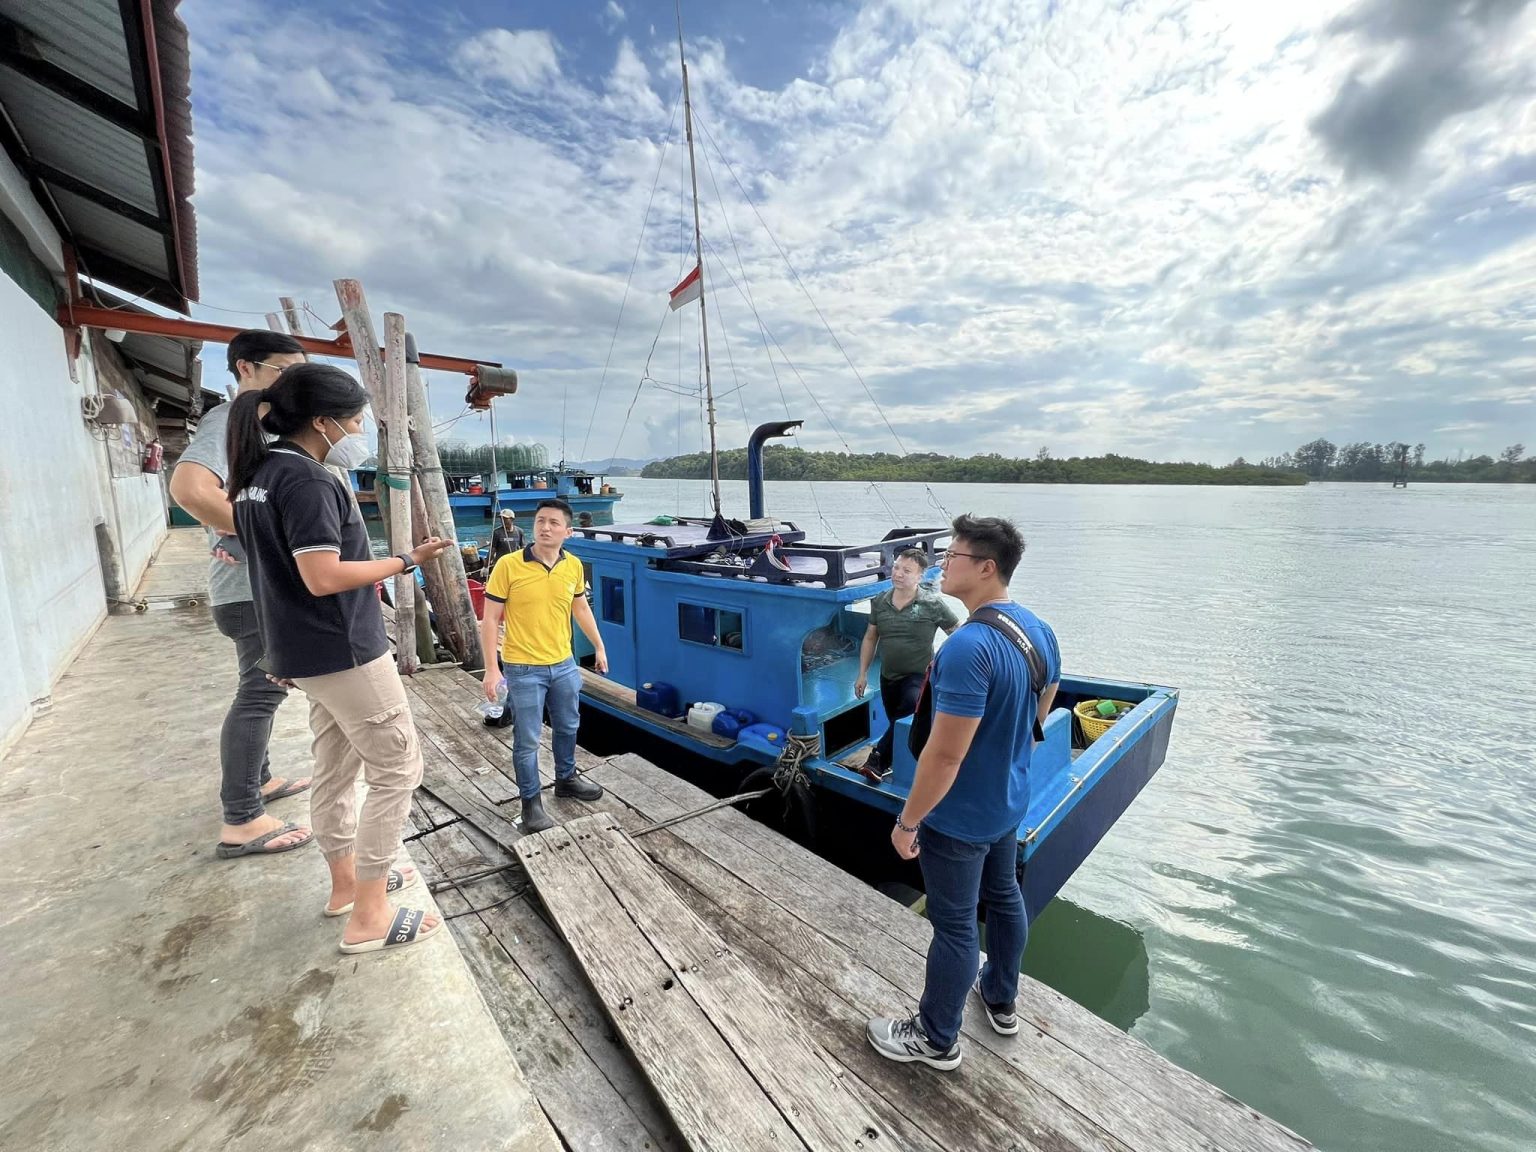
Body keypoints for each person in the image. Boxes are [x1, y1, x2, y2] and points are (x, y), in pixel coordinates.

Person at [226, 363, 454, 955]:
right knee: (398, 769)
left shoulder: (257, 475)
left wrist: (280, 649)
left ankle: (346, 885)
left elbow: (264, 573)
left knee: (336, 765)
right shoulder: (307, 481)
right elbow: (321, 575)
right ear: (322, 421)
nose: (357, 430)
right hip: (344, 649)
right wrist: (405, 560)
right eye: (353, 419)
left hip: (304, 651)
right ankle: (371, 915)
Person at [866, 514, 1060, 1070]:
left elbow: (944, 756)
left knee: (953, 926)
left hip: (960, 816)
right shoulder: (1039, 630)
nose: (942, 564)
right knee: (1003, 898)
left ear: (985, 568)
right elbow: (1042, 702)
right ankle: (1000, 997)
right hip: (1008, 800)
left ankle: (936, 1036)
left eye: (951, 556)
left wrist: (907, 822)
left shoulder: (967, 648)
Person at [168, 330, 312, 859]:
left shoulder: (259, 428)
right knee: (260, 694)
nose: (292, 382)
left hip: (248, 589)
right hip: (252, 594)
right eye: (283, 370)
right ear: (246, 369)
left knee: (261, 691)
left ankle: (263, 780)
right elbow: (188, 489)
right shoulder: (231, 419)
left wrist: (242, 532)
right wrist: (266, 538)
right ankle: (243, 818)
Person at [479, 498, 608, 833]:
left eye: (553, 522)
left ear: (568, 531)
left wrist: (598, 645)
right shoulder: (509, 565)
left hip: (564, 664)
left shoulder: (573, 566)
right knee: (527, 739)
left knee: (568, 727)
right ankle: (531, 801)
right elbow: (490, 619)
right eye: (540, 521)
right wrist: (492, 669)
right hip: (523, 668)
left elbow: (580, 608)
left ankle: (566, 779)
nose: (545, 527)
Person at [854, 547, 960, 779]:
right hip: (888, 676)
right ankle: (900, 760)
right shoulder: (880, 602)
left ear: (919, 577)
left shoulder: (933, 604)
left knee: (908, 712)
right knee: (897, 722)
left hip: (918, 677)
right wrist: (862, 673)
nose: (898, 574)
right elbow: (871, 637)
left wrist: (950, 663)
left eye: (907, 571)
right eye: (896, 567)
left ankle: (877, 760)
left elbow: (958, 635)